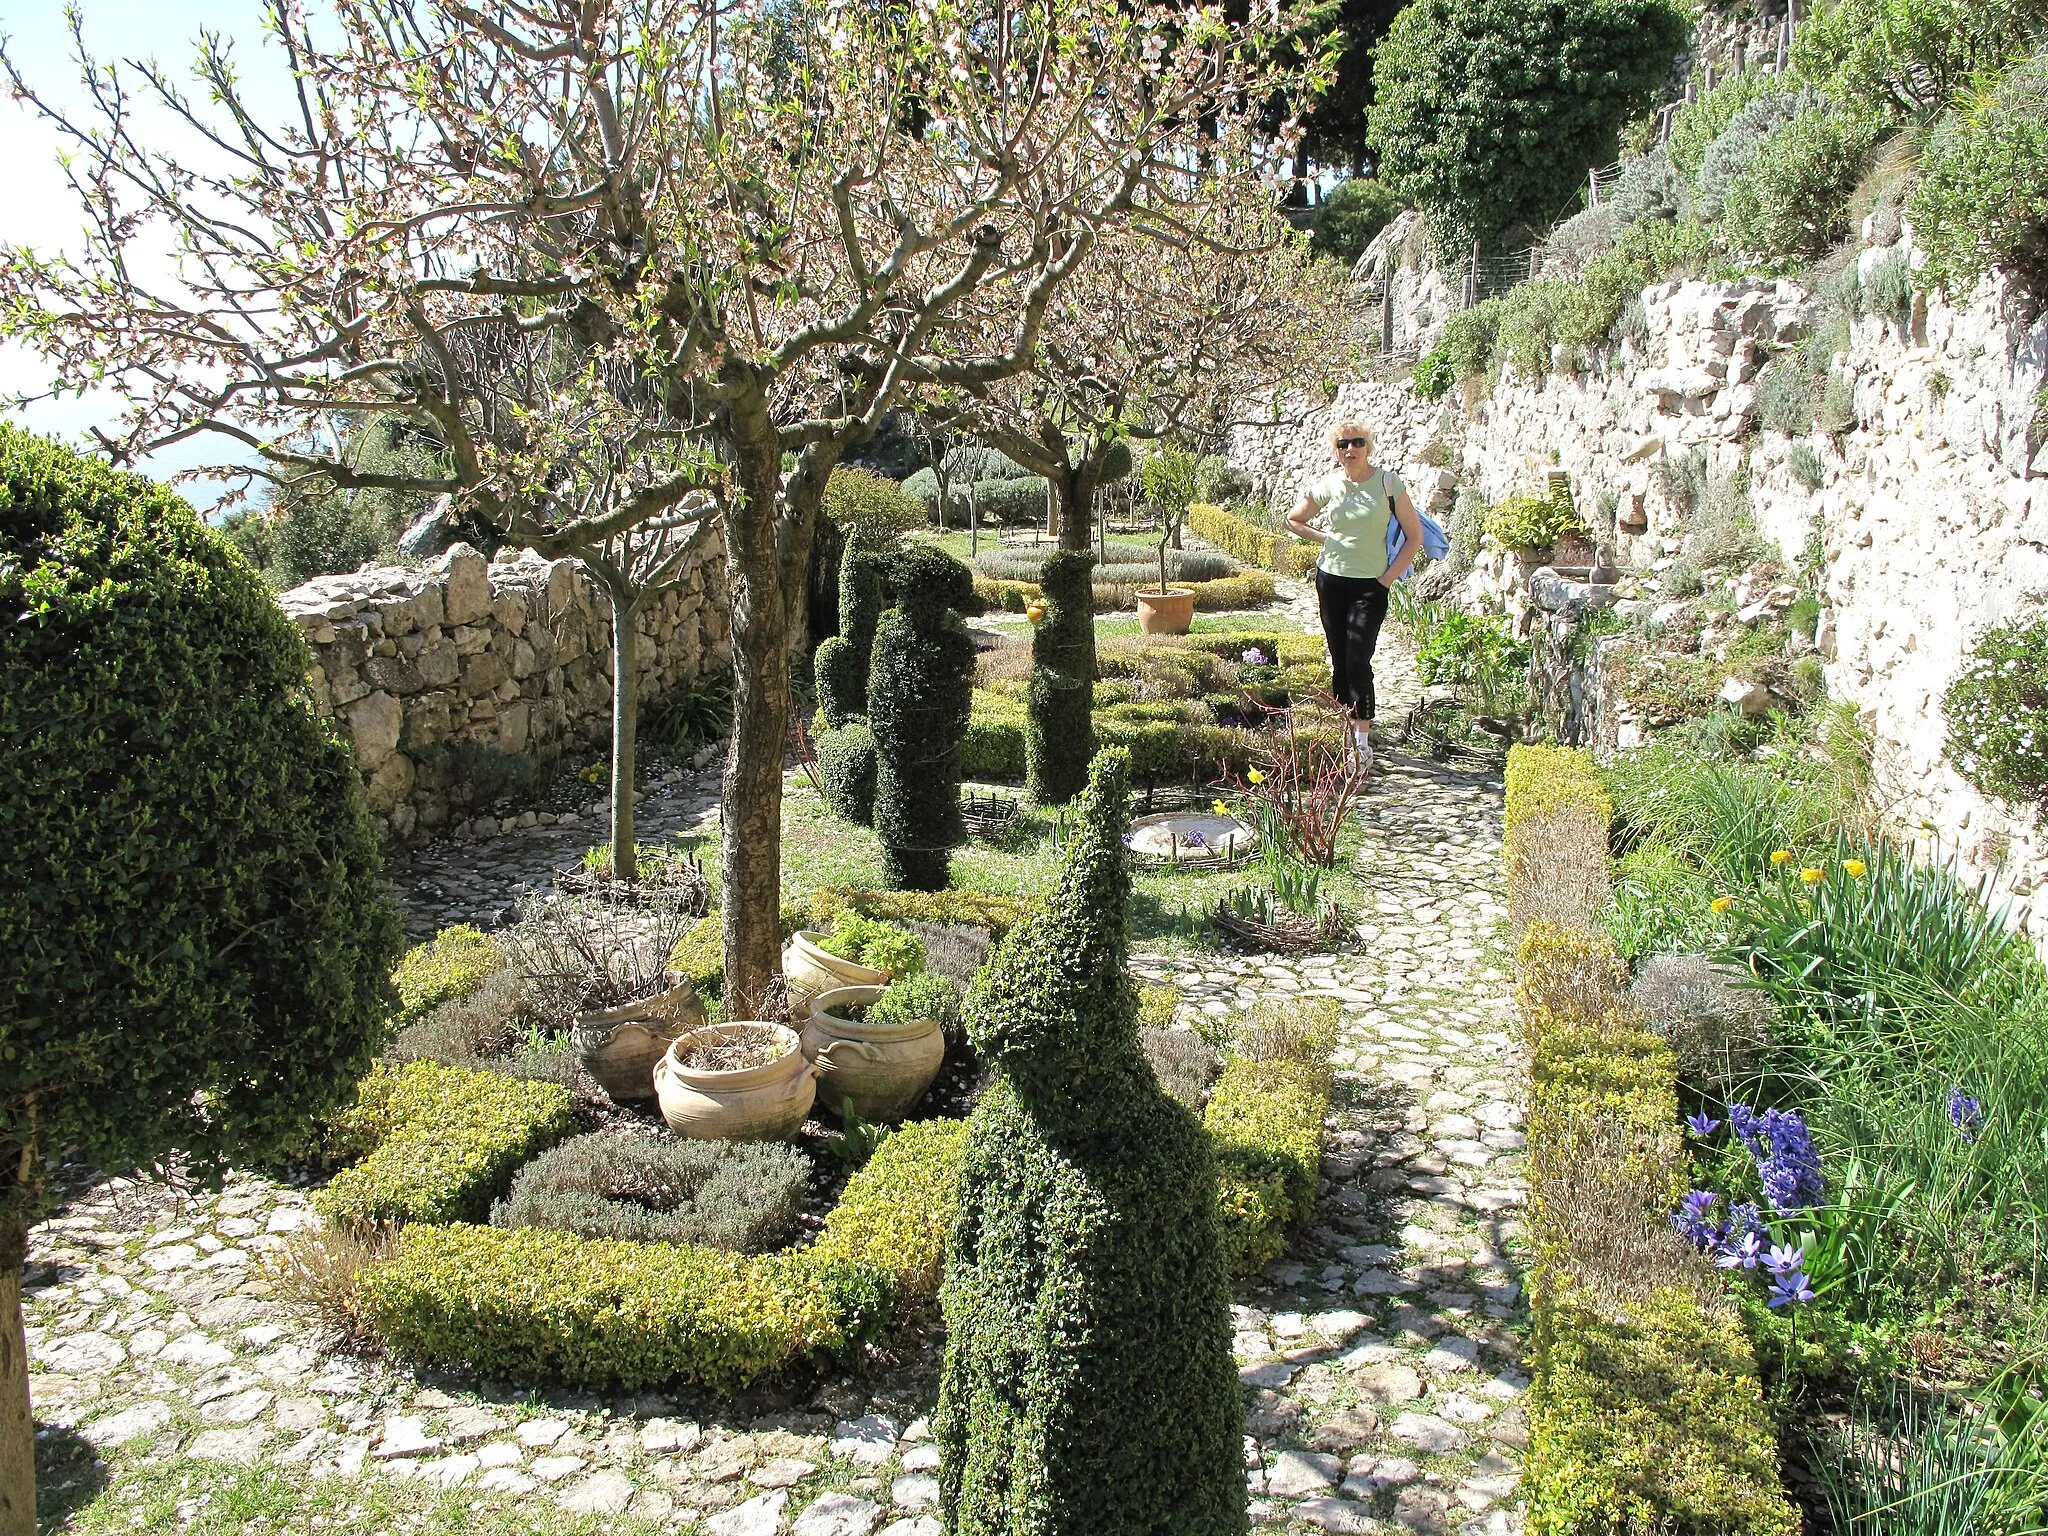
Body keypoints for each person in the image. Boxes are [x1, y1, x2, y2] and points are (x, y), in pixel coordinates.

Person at [1286, 419, 1423, 772]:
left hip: (1370, 586)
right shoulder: (1328, 486)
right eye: (1343, 444)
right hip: (1331, 580)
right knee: (1340, 658)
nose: (1350, 449)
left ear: (1369, 447)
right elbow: (1293, 519)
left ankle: (1361, 744)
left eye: (1357, 443)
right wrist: (1325, 539)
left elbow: (1414, 537)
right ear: (1336, 451)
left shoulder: (1388, 483)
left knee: (1358, 659)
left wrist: (1387, 579)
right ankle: (1347, 730)